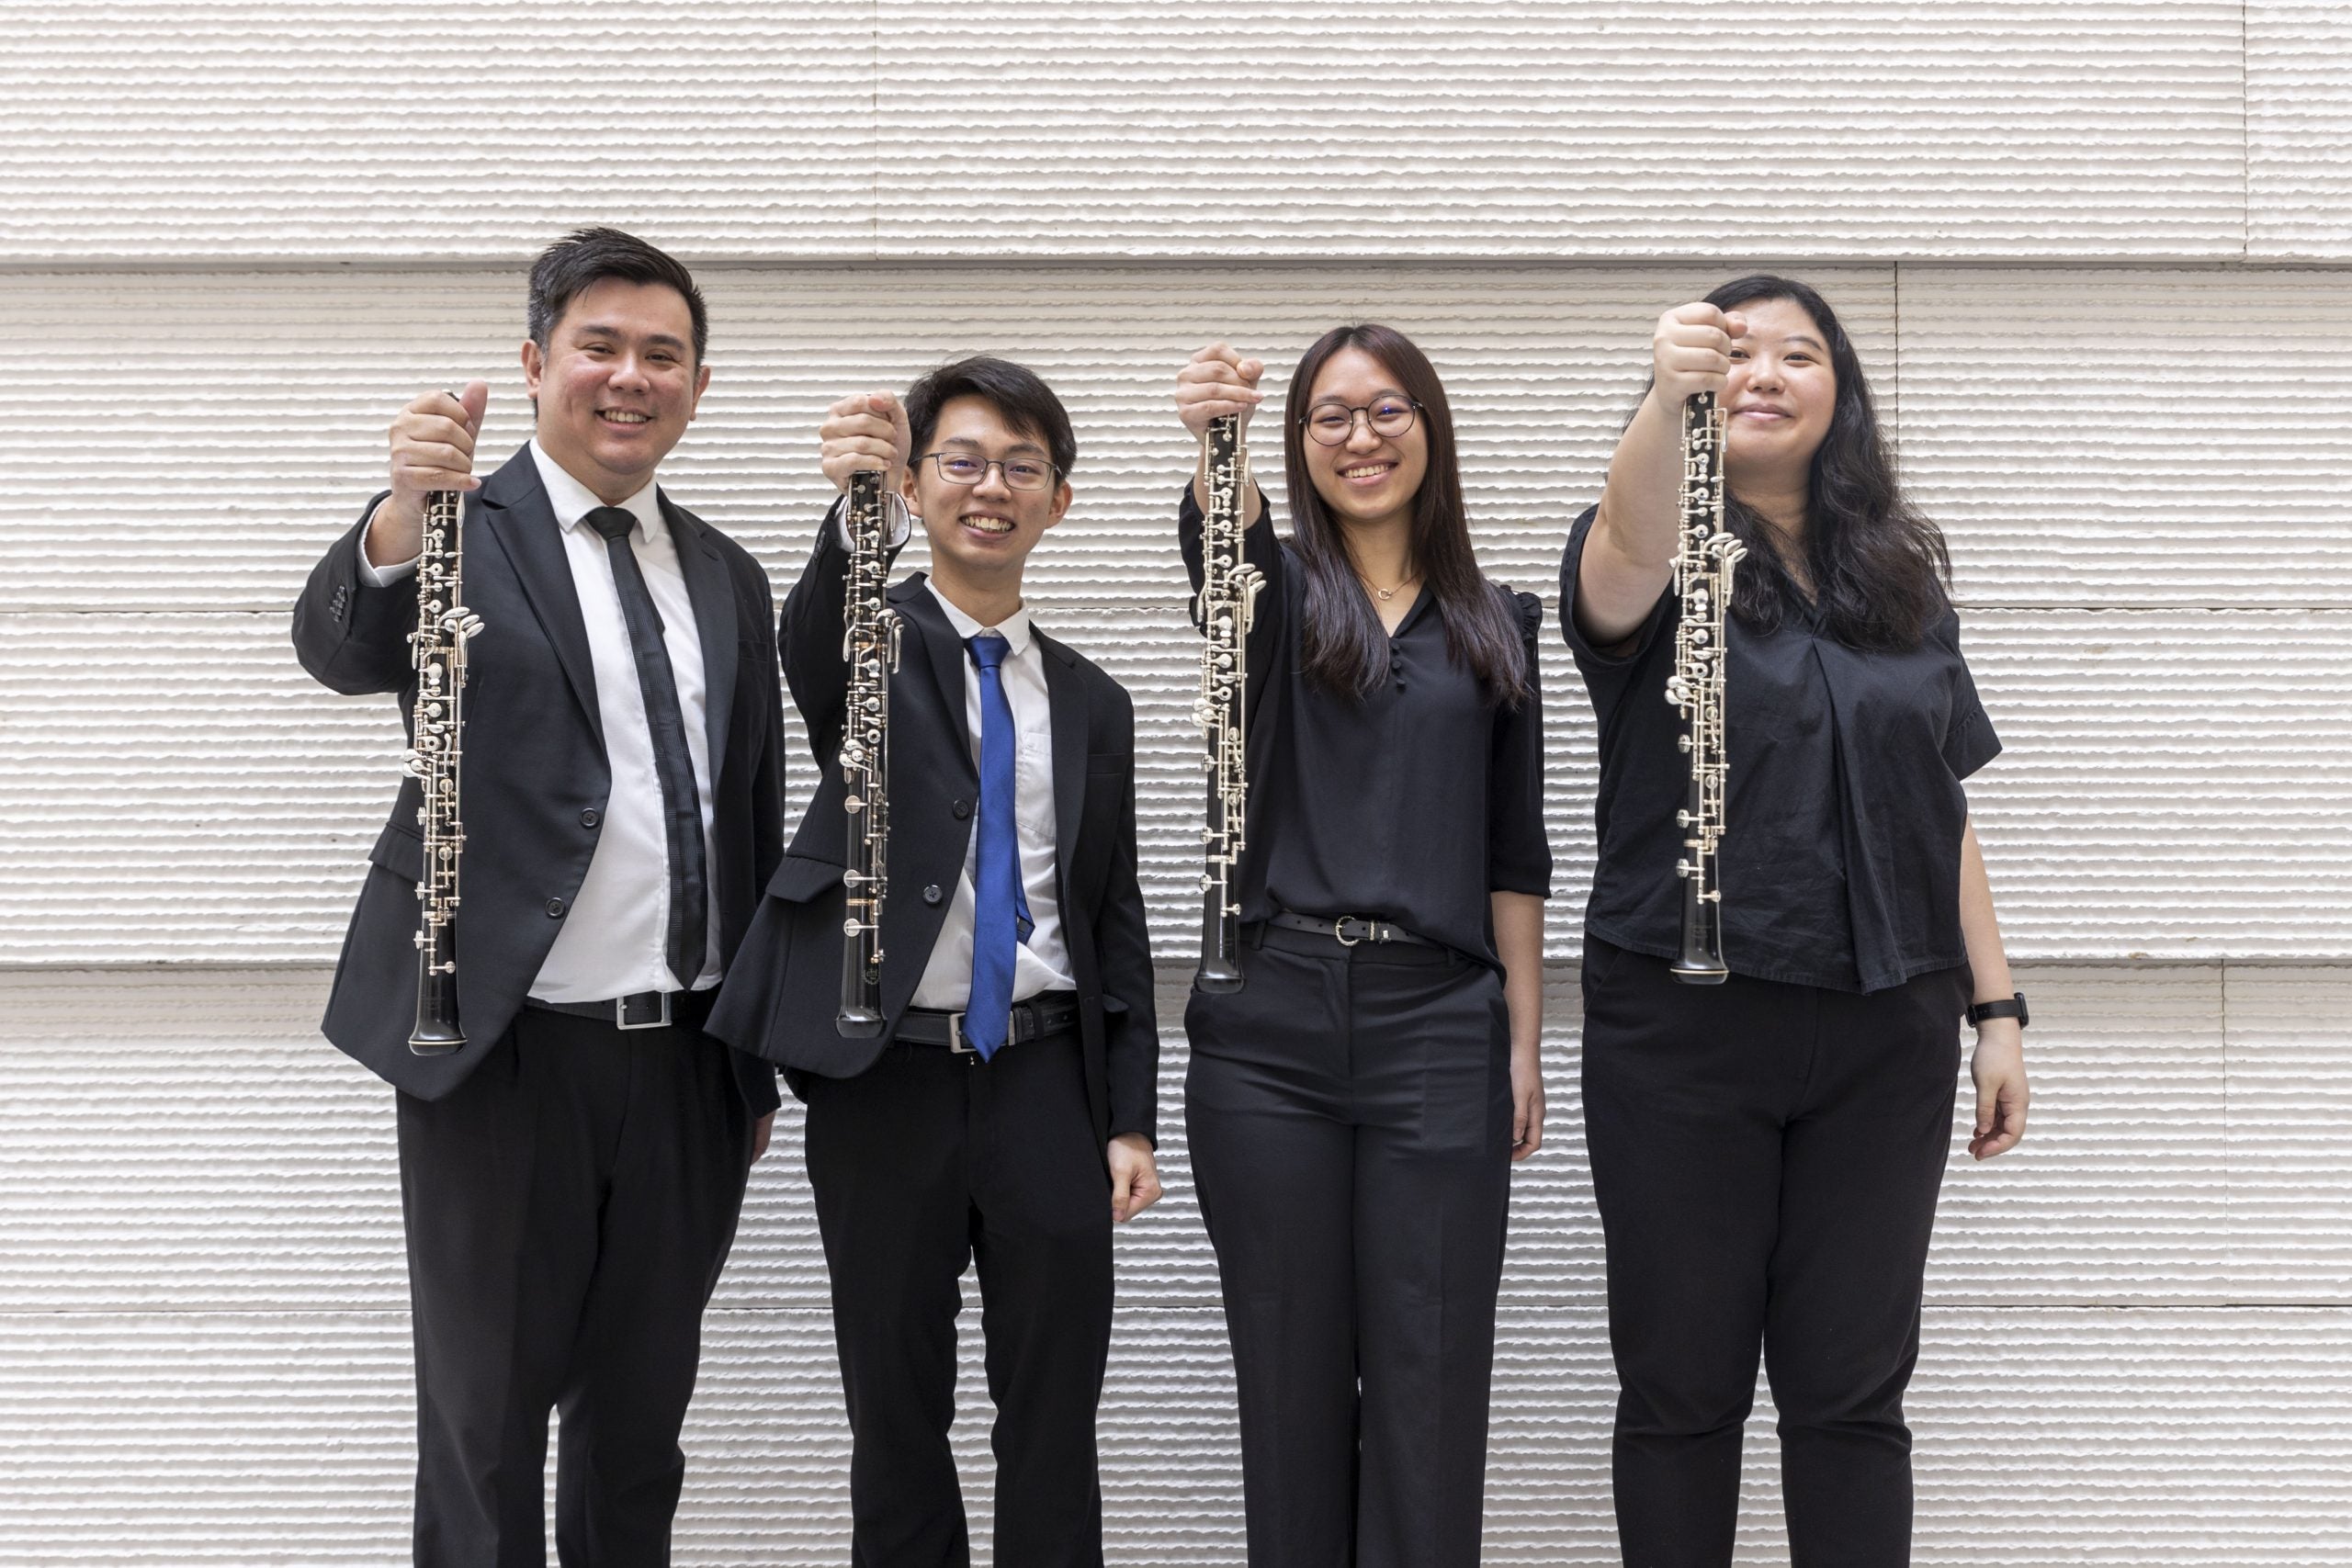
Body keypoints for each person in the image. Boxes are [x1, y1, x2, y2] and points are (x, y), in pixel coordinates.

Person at [289, 227, 786, 1567]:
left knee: (639, 1436)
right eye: (601, 348)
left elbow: (749, 827)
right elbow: (340, 644)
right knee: (485, 1432)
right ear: (535, 363)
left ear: (696, 381)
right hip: (500, 1058)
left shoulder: (727, 576)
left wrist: (748, 1073)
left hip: (684, 1065)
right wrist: (399, 515)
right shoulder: (459, 528)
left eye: (664, 354)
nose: (632, 377)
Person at [1560, 275, 2033, 1566]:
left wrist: (1995, 1012)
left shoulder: (1902, 581)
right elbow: (1628, 539)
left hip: (1888, 1027)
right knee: (1682, 1391)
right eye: (1740, 351)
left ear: (1843, 398)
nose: (1766, 371)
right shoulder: (1651, 548)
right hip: (1682, 1027)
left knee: (1854, 1395)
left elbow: (1938, 807)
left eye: (1800, 355)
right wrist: (1673, 397)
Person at [706, 355, 1159, 1568]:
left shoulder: (1096, 702)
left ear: (1059, 500)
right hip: (885, 1085)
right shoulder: (871, 649)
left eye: (1021, 467)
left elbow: (1113, 914)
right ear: (917, 484)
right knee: (896, 1423)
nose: (990, 488)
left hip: (1050, 1083)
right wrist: (854, 511)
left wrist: (1132, 1118)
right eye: (961, 462)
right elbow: (810, 642)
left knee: (1053, 1421)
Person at [1170, 324, 1552, 1568]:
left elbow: (1514, 856)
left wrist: (1523, 1044)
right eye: (1329, 417)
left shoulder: (1499, 621)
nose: (1360, 438)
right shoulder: (1272, 595)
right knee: (1286, 1378)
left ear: (1429, 431)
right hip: (1270, 1019)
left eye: (1386, 411)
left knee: (1431, 1382)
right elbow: (1217, 539)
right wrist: (1215, 440)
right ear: (1299, 447)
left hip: (1439, 1021)